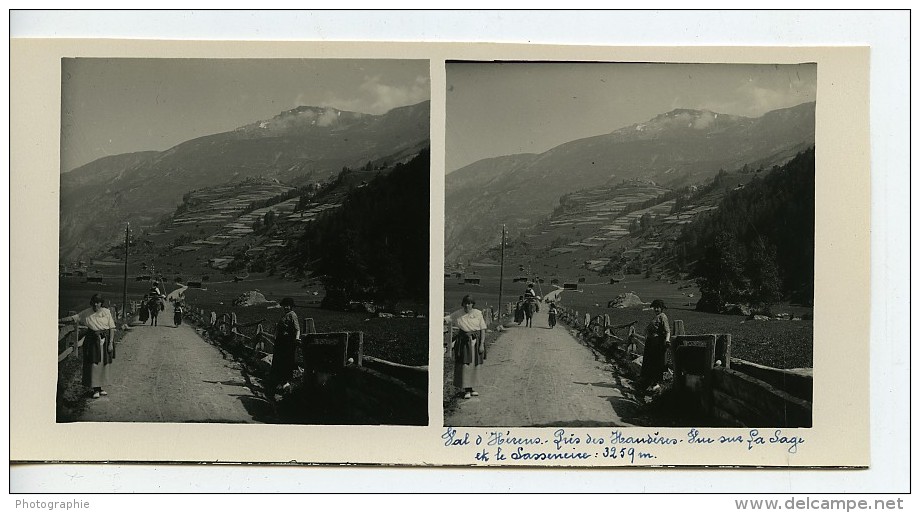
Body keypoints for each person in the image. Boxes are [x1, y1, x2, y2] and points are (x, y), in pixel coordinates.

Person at [58, 293, 116, 399]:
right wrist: (59, 320)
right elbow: (74, 318)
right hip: (92, 341)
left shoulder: (106, 312)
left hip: (104, 340)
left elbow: (112, 328)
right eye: (94, 302)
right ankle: (95, 389)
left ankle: (100, 388)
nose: (95, 305)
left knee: (103, 364)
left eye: (98, 302)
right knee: (93, 364)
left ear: (101, 303)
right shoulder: (86, 312)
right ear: (91, 303)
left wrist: (111, 343)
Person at [444, 295, 487, 399]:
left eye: (469, 303)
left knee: (474, 365)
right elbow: (447, 319)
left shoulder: (478, 313)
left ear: (473, 304)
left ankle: (472, 389)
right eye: (465, 303)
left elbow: (482, 329)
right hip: (463, 342)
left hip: (475, 342)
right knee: (465, 365)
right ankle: (466, 389)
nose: (467, 305)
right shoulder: (458, 314)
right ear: (463, 304)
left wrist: (481, 344)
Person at [639, 299, 671, 394]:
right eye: (655, 307)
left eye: (658, 307)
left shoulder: (663, 316)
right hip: (651, 342)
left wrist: (667, 340)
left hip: (657, 343)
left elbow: (667, 331)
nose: (656, 309)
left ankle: (655, 383)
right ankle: (647, 383)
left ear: (662, 308)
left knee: (655, 362)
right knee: (649, 362)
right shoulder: (656, 317)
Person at [270, 297, 300, 393]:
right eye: (285, 305)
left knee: (286, 362)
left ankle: (285, 383)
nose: (286, 307)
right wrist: (275, 336)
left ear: (291, 306)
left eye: (288, 305)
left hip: (287, 342)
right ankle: (278, 382)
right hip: (280, 341)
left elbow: (297, 329)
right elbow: (278, 328)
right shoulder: (284, 315)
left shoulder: (292, 315)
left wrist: (296, 339)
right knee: (278, 361)